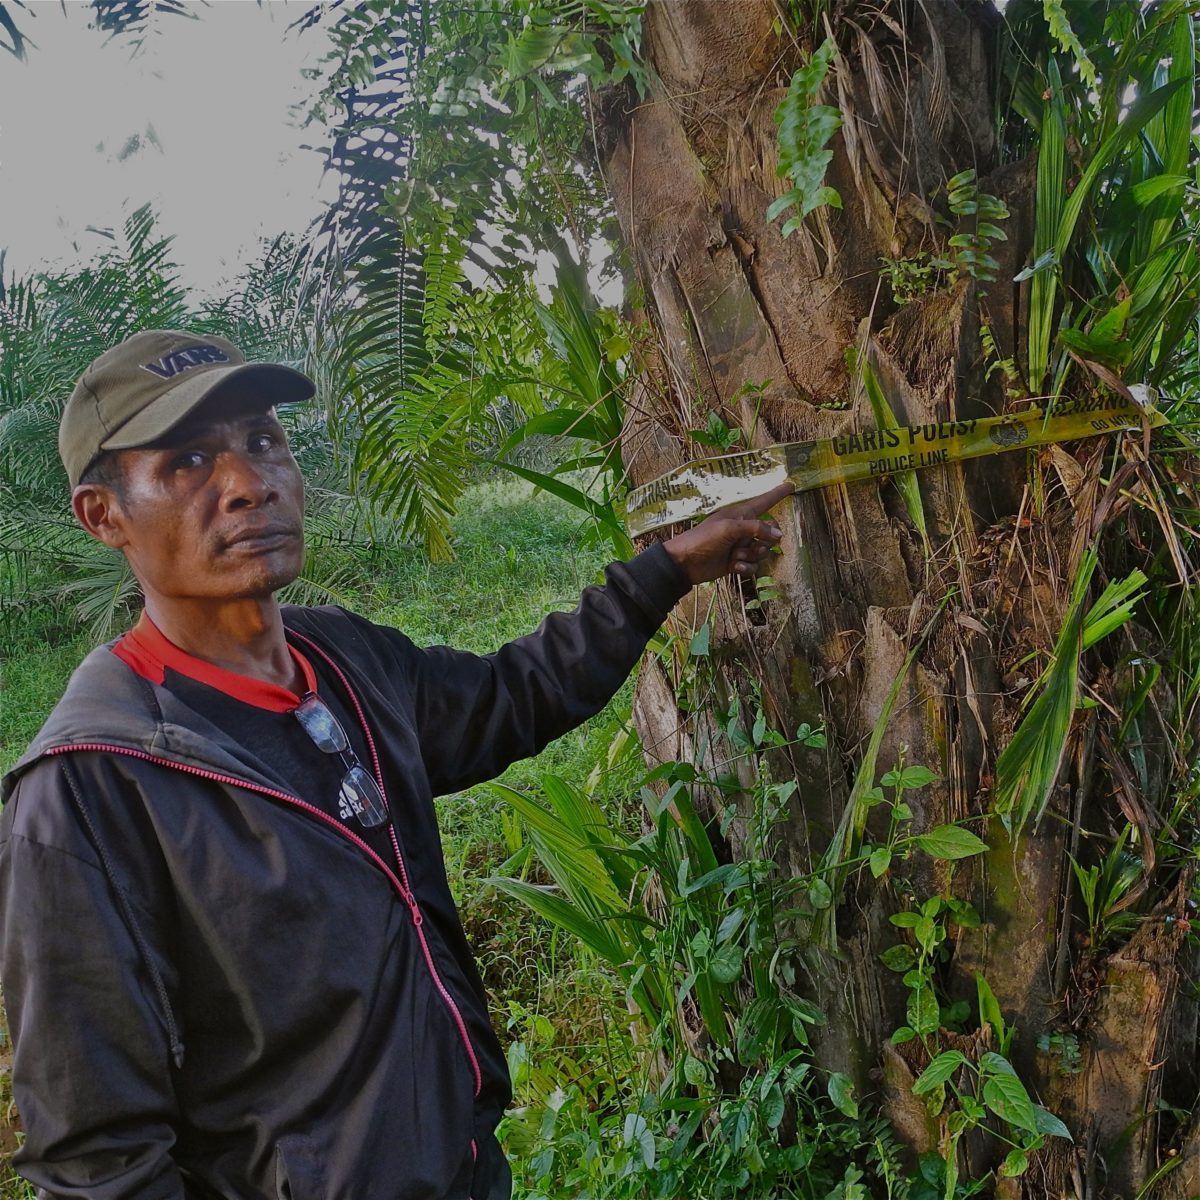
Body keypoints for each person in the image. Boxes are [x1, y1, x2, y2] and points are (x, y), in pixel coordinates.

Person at [0, 329, 792, 1200]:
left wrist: (665, 571)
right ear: (103, 514)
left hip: (464, 1168)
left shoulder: (343, 659)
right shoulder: (90, 787)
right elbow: (99, 1155)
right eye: (188, 461)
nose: (247, 483)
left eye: (263, 441)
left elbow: (508, 698)